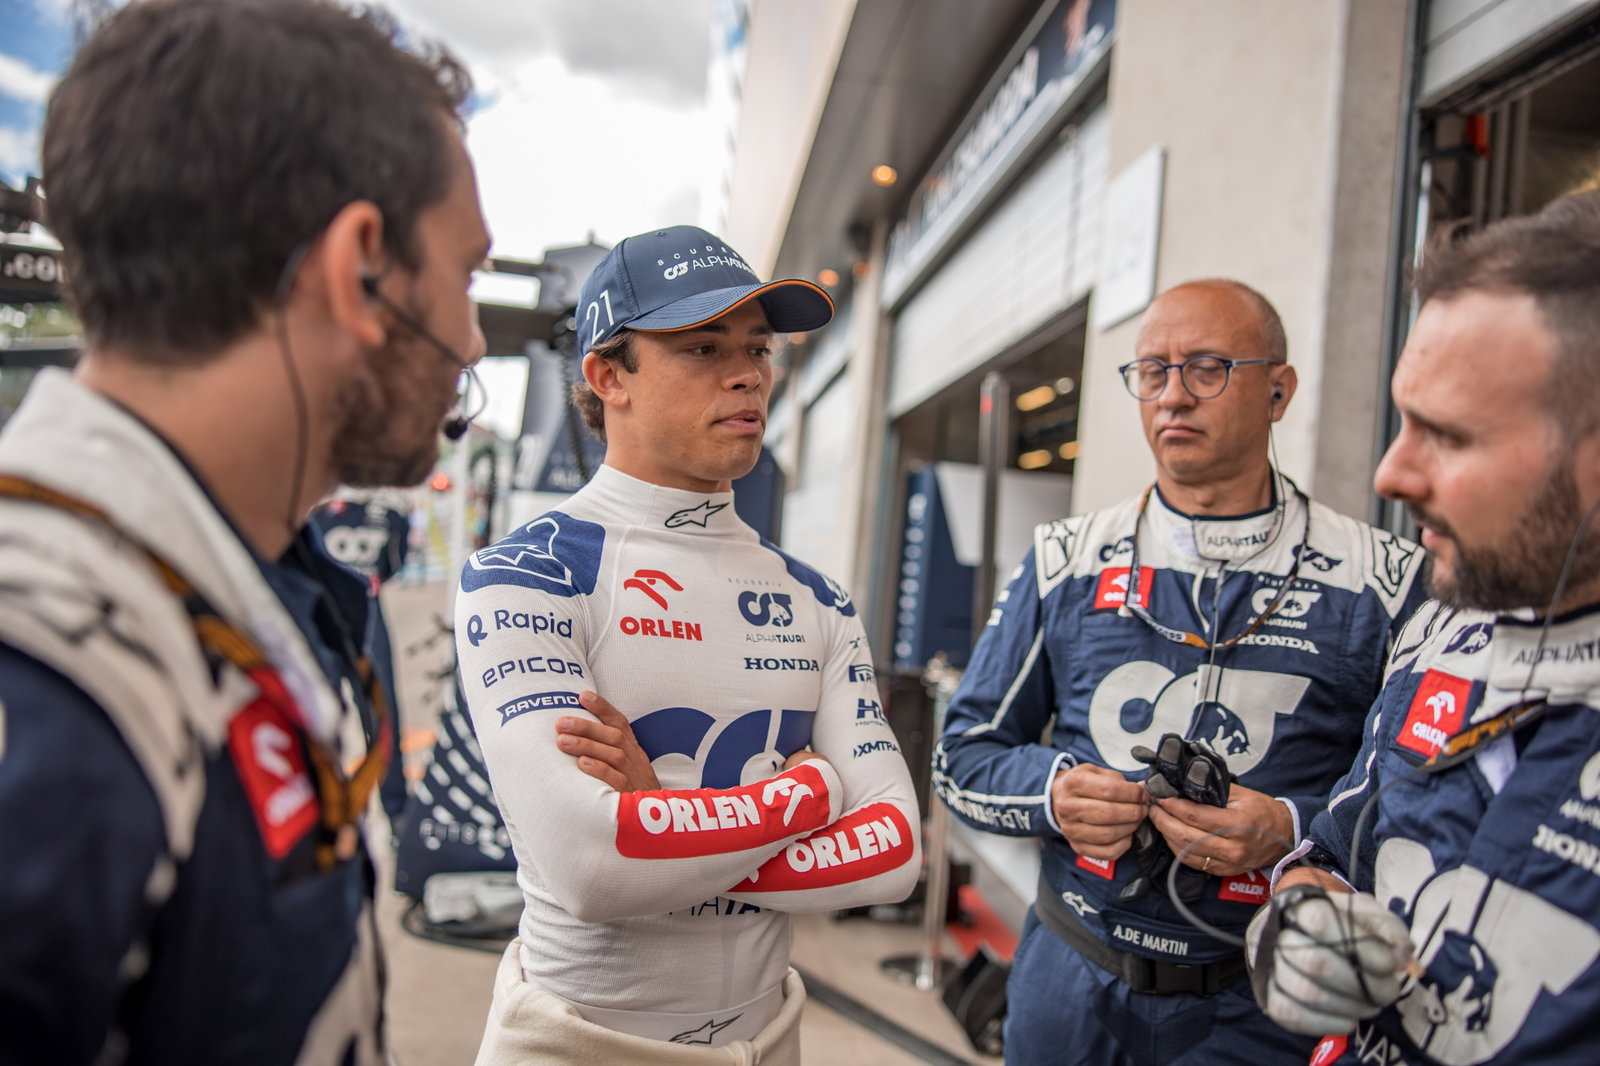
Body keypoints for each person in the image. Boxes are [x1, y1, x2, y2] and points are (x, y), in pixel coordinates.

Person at [0, 2, 487, 1062]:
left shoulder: (252, 591)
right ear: (360, 267)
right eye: (465, 272)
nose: (473, 335)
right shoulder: (44, 662)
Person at [454, 225, 921, 1064]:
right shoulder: (525, 574)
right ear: (607, 375)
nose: (747, 374)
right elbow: (593, 867)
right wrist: (812, 791)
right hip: (573, 1044)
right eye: (703, 346)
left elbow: (892, 852)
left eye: (758, 348)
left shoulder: (815, 596)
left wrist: (664, 829)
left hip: (768, 1039)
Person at [934, 278, 1428, 1065]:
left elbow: (1423, 801)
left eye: (1206, 368)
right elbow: (961, 754)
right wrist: (1056, 793)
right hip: (1072, 983)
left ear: (1278, 389)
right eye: (1151, 371)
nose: (1172, 396)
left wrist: (1293, 832)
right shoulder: (1064, 559)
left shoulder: (1385, 579)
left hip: (1263, 1004)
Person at [1246, 190, 1600, 1066]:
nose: (1390, 472)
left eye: (1445, 434)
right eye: (1402, 418)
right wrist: (1295, 920)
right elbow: (1333, 848)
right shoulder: (1444, 625)